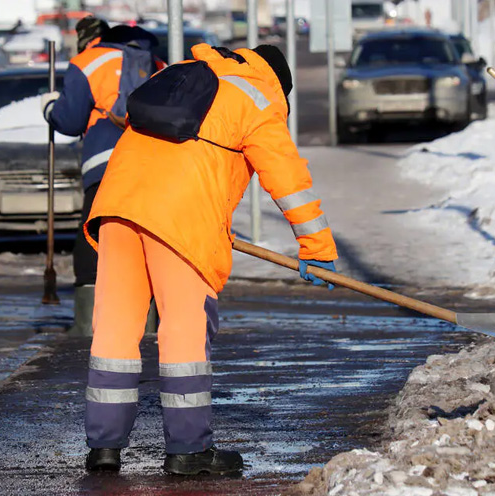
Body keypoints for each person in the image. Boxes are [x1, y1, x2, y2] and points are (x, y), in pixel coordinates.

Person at [80, 44, 339, 474]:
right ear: (281, 85)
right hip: (178, 220)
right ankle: (188, 450)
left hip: (118, 203)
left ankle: (104, 447)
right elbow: (290, 181)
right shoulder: (259, 97)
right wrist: (317, 248)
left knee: (115, 328)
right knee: (183, 329)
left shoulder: (187, 71)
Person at [41, 18, 165, 337]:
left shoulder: (89, 61)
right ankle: (147, 321)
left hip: (104, 162)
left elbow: (69, 121)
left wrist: (50, 109)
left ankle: (88, 322)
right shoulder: (157, 64)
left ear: (86, 40)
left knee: (95, 236)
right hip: (152, 166)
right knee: (144, 238)